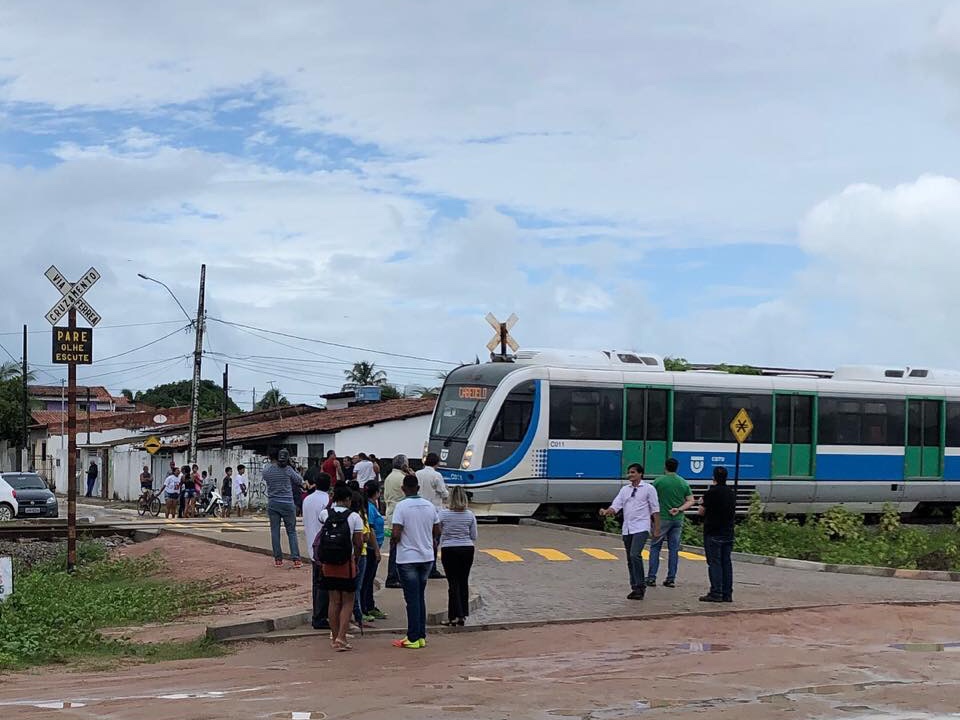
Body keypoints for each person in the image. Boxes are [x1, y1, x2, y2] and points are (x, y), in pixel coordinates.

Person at [391, 474, 440, 649]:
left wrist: (393, 543)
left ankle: (412, 637)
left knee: (411, 599)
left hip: (407, 558)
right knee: (420, 596)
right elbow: (437, 530)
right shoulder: (430, 506)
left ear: (403, 489)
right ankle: (420, 635)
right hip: (426, 557)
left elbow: (396, 532)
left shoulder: (401, 506)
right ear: (418, 488)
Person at [601, 463, 661, 600]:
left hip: (641, 527)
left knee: (635, 555)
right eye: (629, 472)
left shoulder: (649, 489)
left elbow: (655, 509)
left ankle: (641, 586)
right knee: (629, 558)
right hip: (627, 528)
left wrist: (657, 528)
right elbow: (617, 505)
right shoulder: (625, 490)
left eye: (633, 472)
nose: (630, 475)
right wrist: (607, 511)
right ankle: (634, 587)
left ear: (640, 474)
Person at [317, 484, 364, 651]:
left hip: (328, 563)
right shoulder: (354, 517)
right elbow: (358, 543)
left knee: (333, 600)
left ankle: (334, 636)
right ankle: (341, 638)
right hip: (346, 563)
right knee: (348, 601)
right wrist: (356, 559)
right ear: (347, 499)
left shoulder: (325, 514)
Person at [646, 458, 695, 588]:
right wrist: (679, 509)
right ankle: (671, 579)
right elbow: (691, 500)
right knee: (674, 549)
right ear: (677, 467)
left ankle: (651, 578)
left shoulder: (658, 481)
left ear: (665, 467)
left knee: (655, 547)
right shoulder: (682, 482)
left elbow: (649, 498)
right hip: (677, 519)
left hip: (661, 519)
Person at [439, 486, 478, 626]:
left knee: (453, 583)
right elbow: (474, 535)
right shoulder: (470, 515)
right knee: (463, 581)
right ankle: (462, 615)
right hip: (467, 548)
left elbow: (438, 532)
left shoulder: (443, 514)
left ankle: (454, 615)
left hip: (449, 549)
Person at [699, 466, 737, 603]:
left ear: (713, 477)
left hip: (713, 532)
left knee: (714, 563)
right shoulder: (731, 493)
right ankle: (727, 594)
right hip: (728, 532)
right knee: (726, 562)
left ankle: (716, 592)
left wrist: (701, 502)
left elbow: (701, 512)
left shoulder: (711, 493)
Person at [263, 448, 304, 568]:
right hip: (287, 502)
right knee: (291, 531)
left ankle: (278, 559)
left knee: (275, 532)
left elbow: (266, 478)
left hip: (273, 502)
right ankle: (296, 559)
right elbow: (299, 480)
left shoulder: (267, 470)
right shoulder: (288, 469)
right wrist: (295, 469)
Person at [303, 472, 332, 630]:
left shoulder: (307, 499)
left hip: (311, 545)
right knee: (324, 584)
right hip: (324, 546)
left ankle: (318, 613)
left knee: (316, 583)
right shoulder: (327, 501)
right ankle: (321, 616)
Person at [417, 452, 449, 579]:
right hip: (434, 510)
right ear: (437, 462)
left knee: (421, 538)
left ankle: (420, 565)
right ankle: (432, 568)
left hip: (419, 509)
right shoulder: (436, 475)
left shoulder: (418, 474)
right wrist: (447, 491)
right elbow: (443, 492)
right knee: (434, 540)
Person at [383, 454, 412, 588]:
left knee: (395, 545)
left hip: (391, 511)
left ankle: (395, 575)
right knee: (397, 546)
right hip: (399, 513)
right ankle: (394, 575)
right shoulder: (402, 478)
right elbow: (413, 488)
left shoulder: (390, 477)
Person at [361, 480, 387, 620]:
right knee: (367, 578)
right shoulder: (370, 508)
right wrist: (376, 549)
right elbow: (370, 529)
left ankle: (370, 605)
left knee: (370, 578)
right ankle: (364, 607)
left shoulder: (372, 506)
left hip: (375, 545)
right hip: (371, 547)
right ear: (376, 493)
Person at [350, 491, 373, 628]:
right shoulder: (359, 517)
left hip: (348, 554)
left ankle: (354, 615)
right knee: (357, 587)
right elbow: (365, 537)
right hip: (360, 553)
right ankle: (358, 616)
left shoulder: (346, 516)